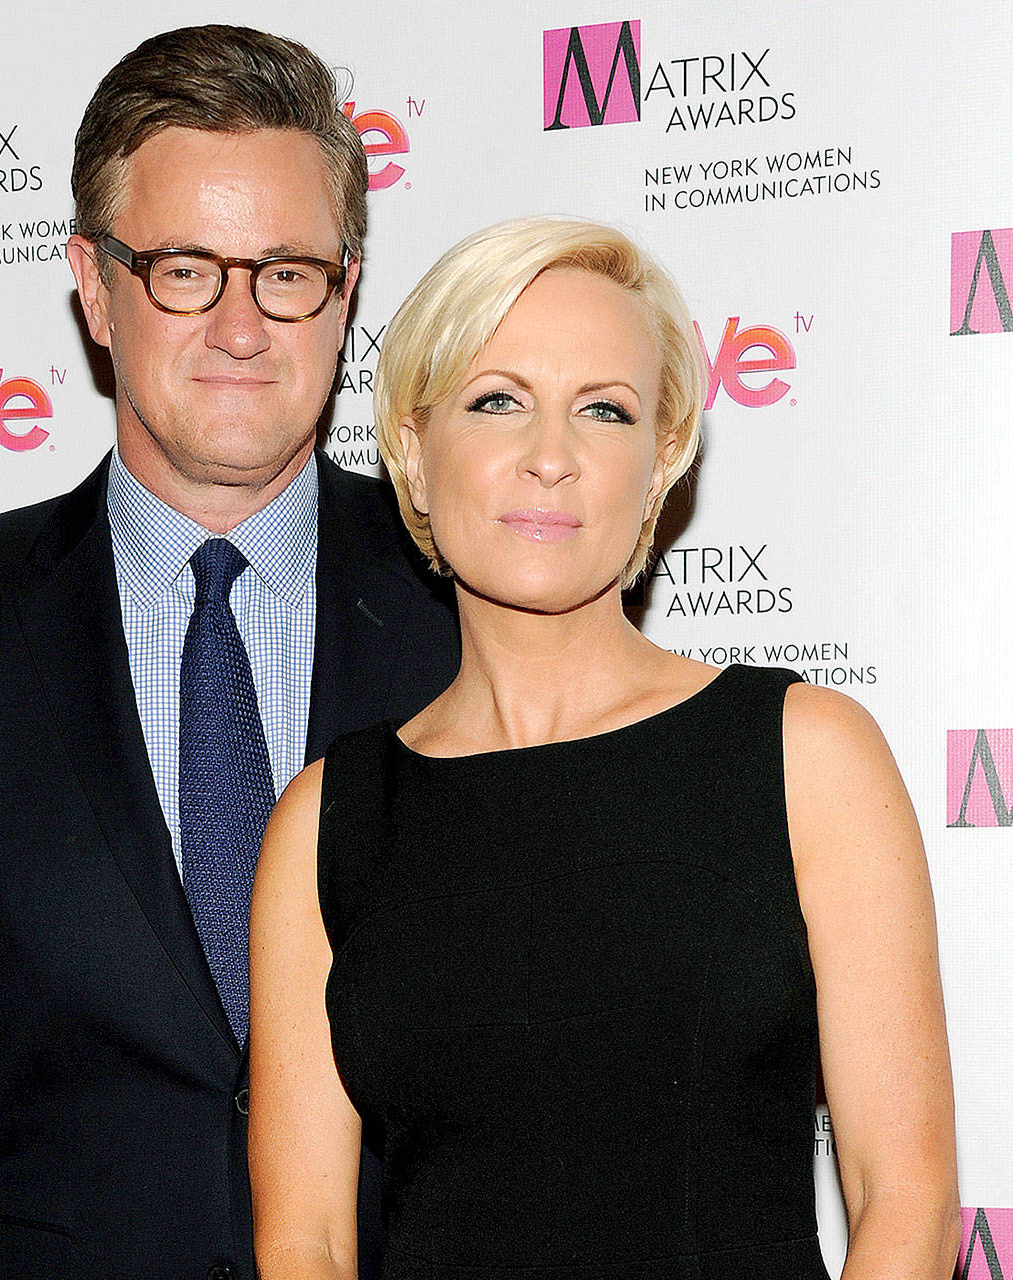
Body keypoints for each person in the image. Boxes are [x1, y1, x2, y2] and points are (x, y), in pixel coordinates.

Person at [0, 25, 457, 1280]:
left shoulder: (463, 601)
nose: (241, 325)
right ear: (94, 286)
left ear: (347, 291)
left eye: (286, 272)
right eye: (184, 270)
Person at [248, 216, 960, 1280]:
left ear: (660, 458)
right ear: (411, 441)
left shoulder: (803, 756)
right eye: (497, 401)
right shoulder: (328, 820)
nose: (550, 456)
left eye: (604, 410)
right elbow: (303, 1240)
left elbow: (902, 1199)